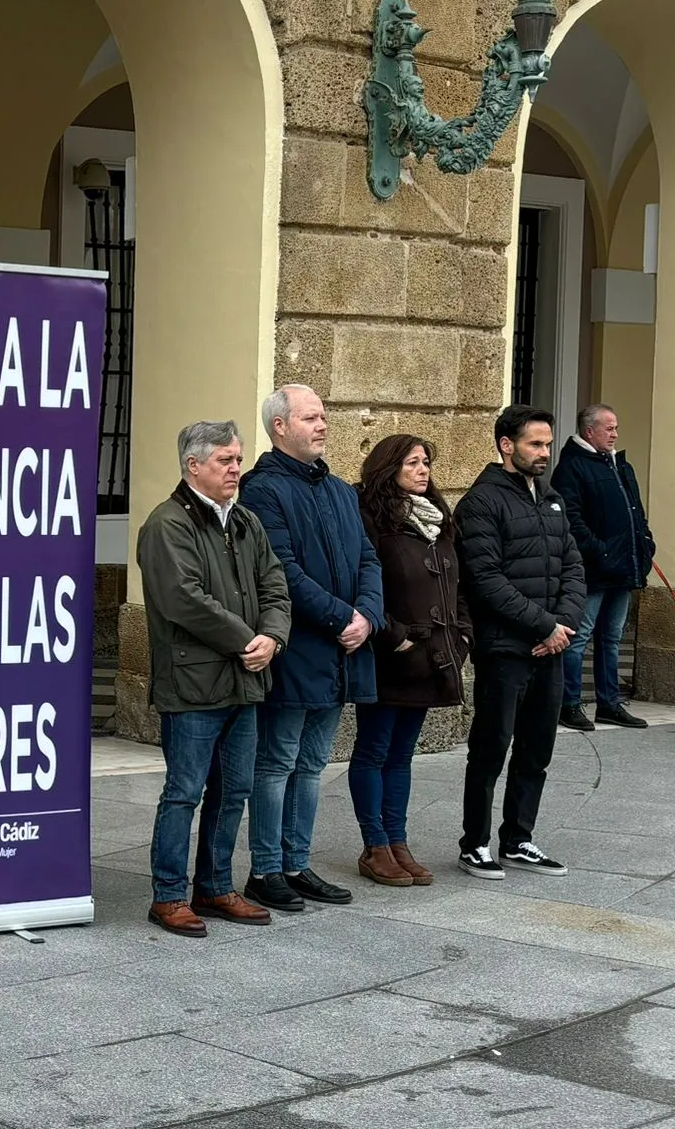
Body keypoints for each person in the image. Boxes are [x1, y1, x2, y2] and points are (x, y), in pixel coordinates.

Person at [136, 420, 292, 938]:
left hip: (245, 681)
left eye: (237, 458)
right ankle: (169, 896)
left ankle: (217, 886)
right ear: (193, 466)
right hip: (194, 685)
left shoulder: (245, 520)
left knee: (235, 790)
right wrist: (248, 639)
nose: (235, 468)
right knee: (184, 792)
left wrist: (272, 637)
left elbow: (275, 585)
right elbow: (182, 598)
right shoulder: (167, 524)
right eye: (225, 460)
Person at [238, 385, 383, 912]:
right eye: (310, 417)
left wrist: (368, 615)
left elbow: (369, 558)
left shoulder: (342, 490)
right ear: (280, 427)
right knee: (277, 760)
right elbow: (281, 571)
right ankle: (266, 869)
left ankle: (297, 863)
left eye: (324, 416)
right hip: (298, 649)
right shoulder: (263, 489)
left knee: (315, 761)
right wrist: (343, 616)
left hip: (343, 650)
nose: (322, 425)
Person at [455, 405, 585, 880]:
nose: (545, 453)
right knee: (490, 749)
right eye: (535, 444)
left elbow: (573, 566)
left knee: (537, 750)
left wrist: (562, 628)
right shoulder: (482, 503)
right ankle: (475, 843)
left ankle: (519, 839)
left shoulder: (552, 498)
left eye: (548, 444)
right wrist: (542, 627)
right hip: (506, 649)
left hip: (550, 648)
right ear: (506, 445)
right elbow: (485, 579)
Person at [351, 435, 472, 888]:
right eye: (413, 463)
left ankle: (398, 842)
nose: (424, 471)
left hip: (432, 657)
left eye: (426, 463)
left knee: (402, 755)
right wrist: (395, 636)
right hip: (391, 654)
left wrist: (462, 634)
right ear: (389, 468)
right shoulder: (370, 518)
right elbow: (362, 581)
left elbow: (458, 584)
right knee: (374, 750)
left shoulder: (437, 519)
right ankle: (374, 845)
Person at [550, 404, 655, 731]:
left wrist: (645, 544)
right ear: (589, 431)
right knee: (578, 638)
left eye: (616, 428)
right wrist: (601, 552)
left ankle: (609, 704)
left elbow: (636, 514)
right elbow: (572, 521)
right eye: (608, 428)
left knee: (611, 638)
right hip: (592, 571)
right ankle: (569, 704)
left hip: (623, 569)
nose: (614, 434)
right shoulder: (572, 467)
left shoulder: (620, 465)